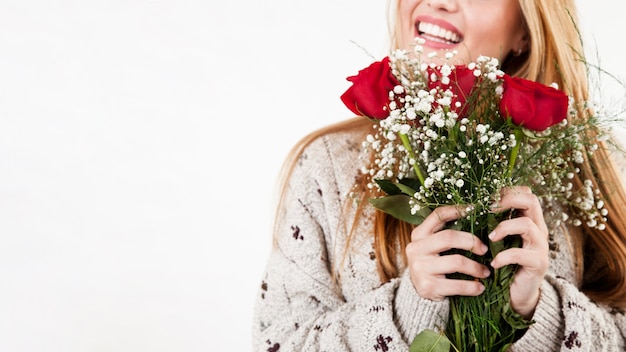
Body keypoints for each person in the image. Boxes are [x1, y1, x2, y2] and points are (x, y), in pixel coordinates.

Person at [252, 0, 626, 350]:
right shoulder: (326, 168)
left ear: (525, 30)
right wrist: (405, 311)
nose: (440, 1)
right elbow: (279, 342)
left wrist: (539, 311)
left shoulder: (590, 165)